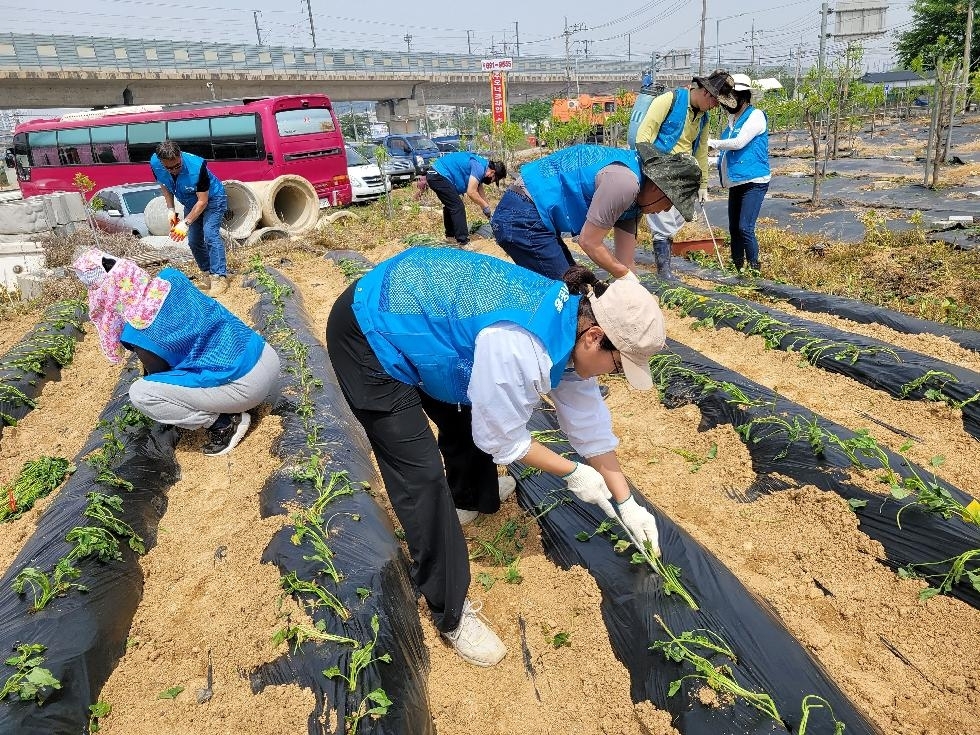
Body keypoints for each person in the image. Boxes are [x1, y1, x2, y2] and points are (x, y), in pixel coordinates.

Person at [326, 246, 665, 667]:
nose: (612, 374)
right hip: (370, 331)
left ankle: (470, 497)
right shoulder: (523, 345)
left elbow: (588, 423)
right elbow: (500, 439)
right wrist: (573, 472)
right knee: (421, 477)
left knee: (465, 408)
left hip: (429, 320)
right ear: (594, 336)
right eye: (617, 365)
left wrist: (627, 501)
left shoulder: (572, 327)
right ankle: (450, 614)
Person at [70, 248, 280, 457]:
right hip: (265, 354)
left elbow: (161, 377)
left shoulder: (137, 331)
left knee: (142, 394)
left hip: (246, 387)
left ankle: (224, 424)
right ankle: (225, 402)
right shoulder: (172, 278)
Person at [490, 143, 700, 281]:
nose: (666, 210)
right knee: (568, 294)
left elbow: (625, 261)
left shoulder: (635, 202)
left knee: (574, 283)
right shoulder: (624, 183)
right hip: (521, 215)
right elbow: (589, 242)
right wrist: (624, 277)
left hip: (534, 217)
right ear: (658, 187)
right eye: (670, 202)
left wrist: (633, 290)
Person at [629, 69, 736, 279]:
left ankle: (663, 268)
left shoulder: (703, 119)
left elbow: (701, 151)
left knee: (673, 220)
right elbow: (644, 136)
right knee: (660, 220)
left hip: (682, 174)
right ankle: (663, 272)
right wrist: (655, 170)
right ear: (707, 93)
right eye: (716, 102)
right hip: (658, 170)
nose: (715, 107)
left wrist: (703, 184)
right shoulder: (668, 101)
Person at [707, 74, 771, 272]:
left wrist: (712, 143)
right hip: (736, 181)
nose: (727, 104)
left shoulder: (756, 116)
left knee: (745, 228)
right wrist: (705, 160)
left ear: (742, 97)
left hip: (754, 180)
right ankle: (738, 270)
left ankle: (754, 270)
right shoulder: (731, 121)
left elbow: (738, 143)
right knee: (734, 229)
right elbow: (726, 155)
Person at [149, 141, 230, 296]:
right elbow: (164, 184)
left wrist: (185, 223)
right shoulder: (155, 163)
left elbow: (203, 201)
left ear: (180, 156)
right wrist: (171, 210)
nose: (173, 170)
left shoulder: (197, 167)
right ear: (161, 162)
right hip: (190, 201)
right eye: (169, 168)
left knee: (210, 233)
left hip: (212, 199)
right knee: (193, 240)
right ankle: (208, 274)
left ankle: (219, 276)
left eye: (177, 166)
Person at [425, 153, 506, 247]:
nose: (491, 182)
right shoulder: (479, 168)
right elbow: (471, 192)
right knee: (457, 207)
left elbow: (480, 191)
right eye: (494, 180)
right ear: (492, 172)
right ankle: (463, 242)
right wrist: (484, 206)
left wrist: (488, 212)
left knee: (451, 205)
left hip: (436, 174)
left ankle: (450, 237)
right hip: (438, 175)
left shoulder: (482, 165)